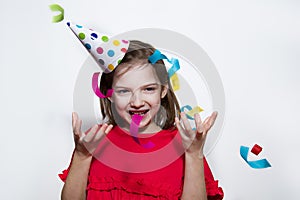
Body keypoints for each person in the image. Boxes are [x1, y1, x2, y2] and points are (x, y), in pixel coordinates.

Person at [60, 40, 224, 200]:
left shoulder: (185, 146)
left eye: (148, 89)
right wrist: (81, 157)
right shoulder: (94, 141)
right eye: (124, 91)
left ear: (163, 90)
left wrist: (194, 155)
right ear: (109, 94)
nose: (137, 102)